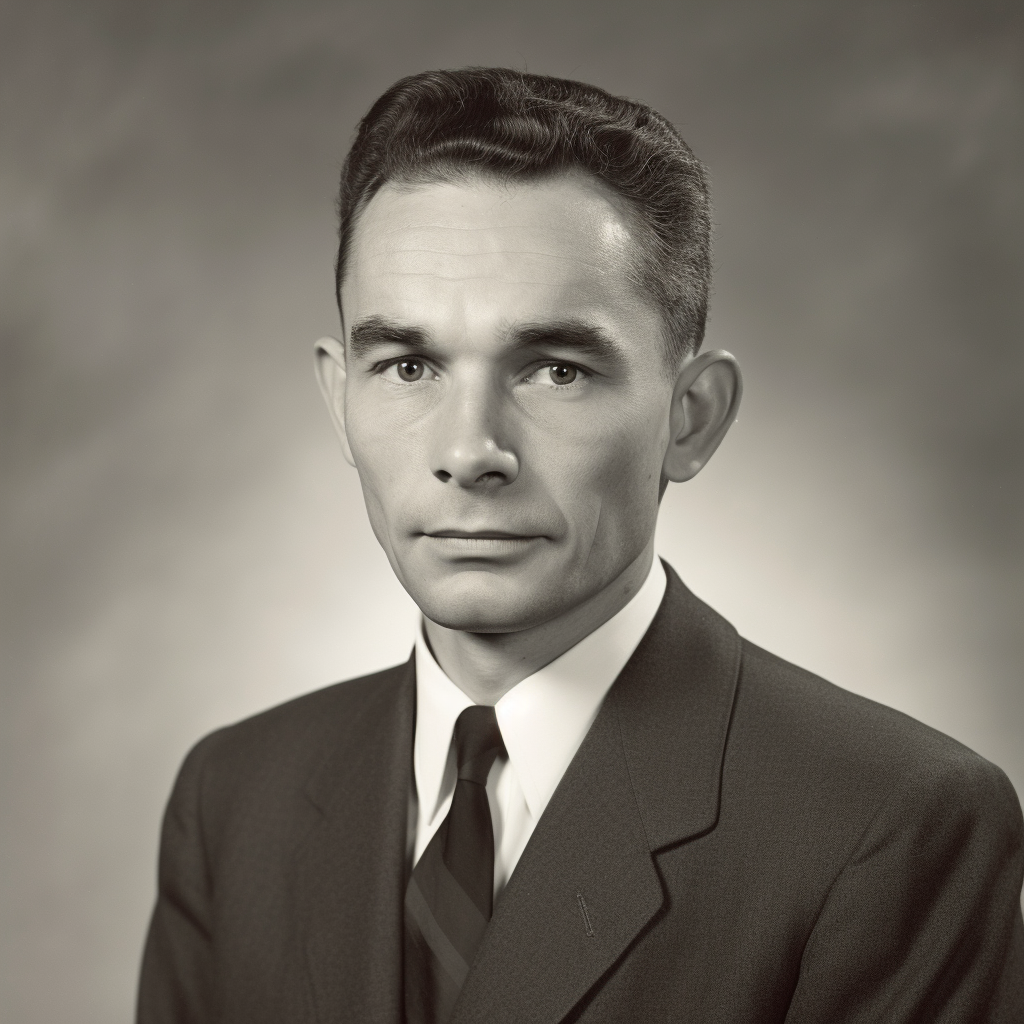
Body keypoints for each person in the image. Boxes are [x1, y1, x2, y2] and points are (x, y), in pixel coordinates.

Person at [136, 67, 1024, 1024]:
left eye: (556, 369)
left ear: (692, 419)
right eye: (407, 364)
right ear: (338, 399)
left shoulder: (896, 828)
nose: (469, 451)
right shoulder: (234, 798)